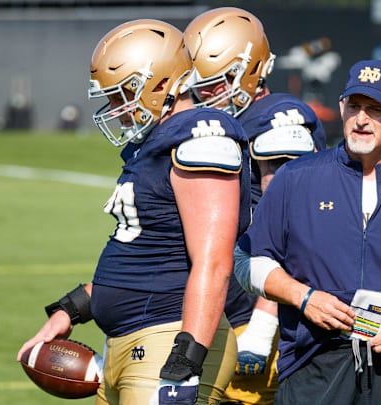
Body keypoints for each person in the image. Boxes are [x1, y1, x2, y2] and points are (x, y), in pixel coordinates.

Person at [16, 19, 252, 404]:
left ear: (161, 83)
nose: (115, 107)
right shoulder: (153, 145)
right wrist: (70, 310)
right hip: (130, 343)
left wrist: (185, 361)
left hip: (167, 341)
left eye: (123, 93)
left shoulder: (202, 136)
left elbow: (213, 261)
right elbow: (143, 253)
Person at [234, 59, 381, 404]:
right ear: (341, 107)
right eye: (355, 106)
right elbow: (245, 260)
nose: (361, 120)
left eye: (376, 109)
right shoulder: (295, 178)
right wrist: (304, 297)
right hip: (313, 363)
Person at [183, 8, 326, 405]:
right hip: (223, 307)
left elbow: (287, 231)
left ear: (249, 72)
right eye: (200, 85)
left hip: (261, 313)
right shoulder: (223, 124)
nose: (204, 94)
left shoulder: (278, 121)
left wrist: (262, 328)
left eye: (215, 83)